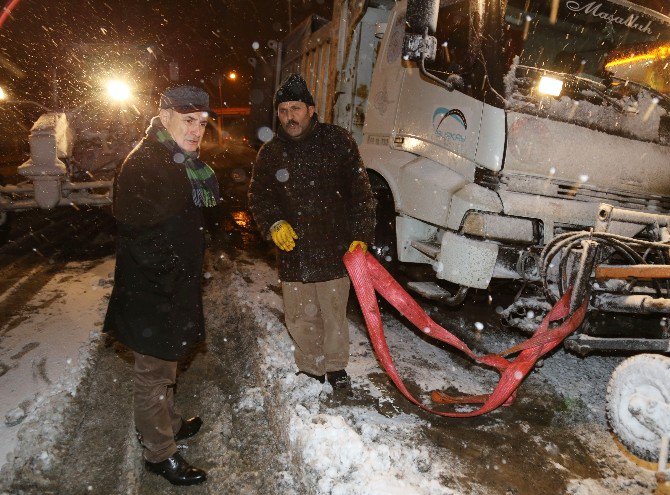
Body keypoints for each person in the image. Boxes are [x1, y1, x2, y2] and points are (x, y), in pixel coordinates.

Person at [103, 85, 220, 486]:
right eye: (188, 120)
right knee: (153, 372)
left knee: (167, 364)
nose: (196, 130)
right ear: (165, 116)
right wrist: (172, 270)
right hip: (152, 289)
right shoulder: (146, 162)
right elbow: (136, 229)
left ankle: (168, 421)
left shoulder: (175, 159)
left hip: (168, 285)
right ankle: (159, 452)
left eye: (202, 123)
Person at [248, 74, 375, 390]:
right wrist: (273, 223)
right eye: (283, 111)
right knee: (300, 317)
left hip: (334, 248)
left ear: (311, 109)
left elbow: (360, 192)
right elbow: (259, 196)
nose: (289, 117)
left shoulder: (338, 141)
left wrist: (361, 233)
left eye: (296, 108)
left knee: (333, 315)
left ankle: (335, 368)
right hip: (294, 251)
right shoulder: (271, 153)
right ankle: (310, 367)